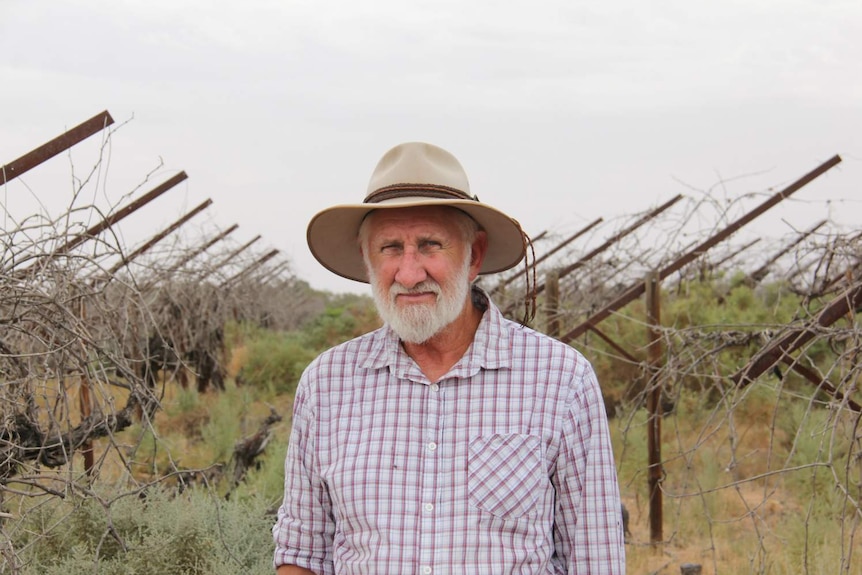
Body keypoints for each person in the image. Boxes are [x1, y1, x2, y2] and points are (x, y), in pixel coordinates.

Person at [272, 142, 625, 574]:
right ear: (368, 260)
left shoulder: (561, 380)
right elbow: (300, 556)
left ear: (473, 255)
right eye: (389, 249)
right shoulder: (326, 385)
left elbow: (596, 560)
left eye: (429, 245)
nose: (408, 272)